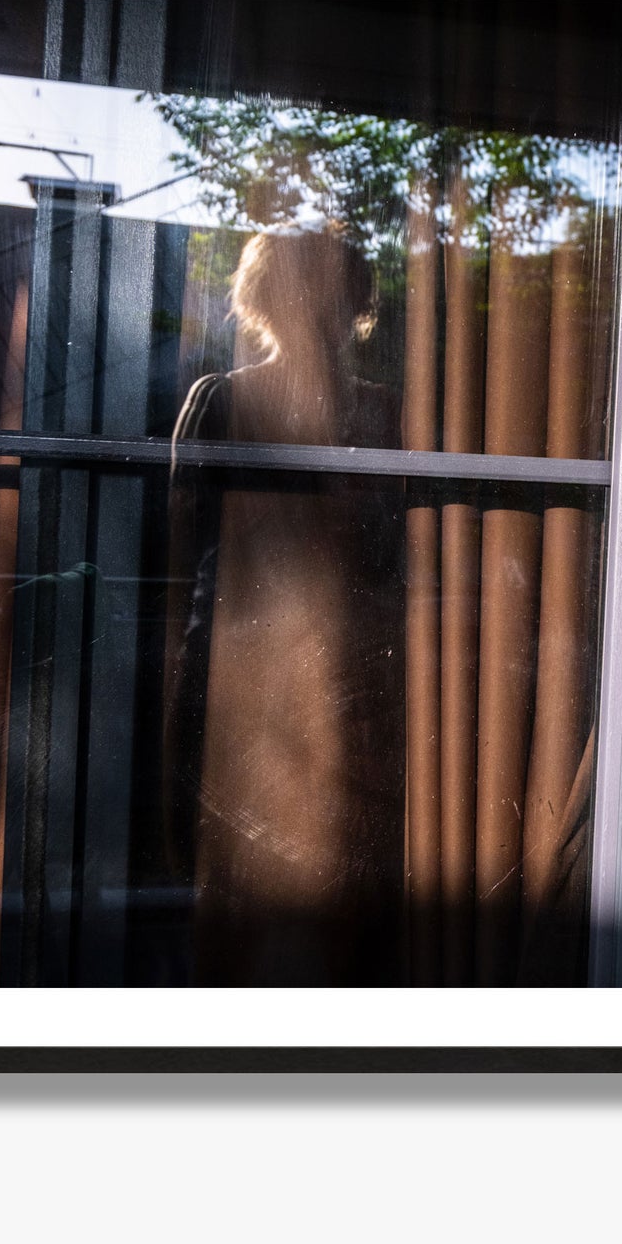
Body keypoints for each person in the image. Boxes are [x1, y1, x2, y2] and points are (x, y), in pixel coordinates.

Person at [163, 226, 405, 984]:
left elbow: (177, 539)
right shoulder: (230, 400)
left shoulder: (376, 414)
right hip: (275, 673)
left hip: (333, 678)